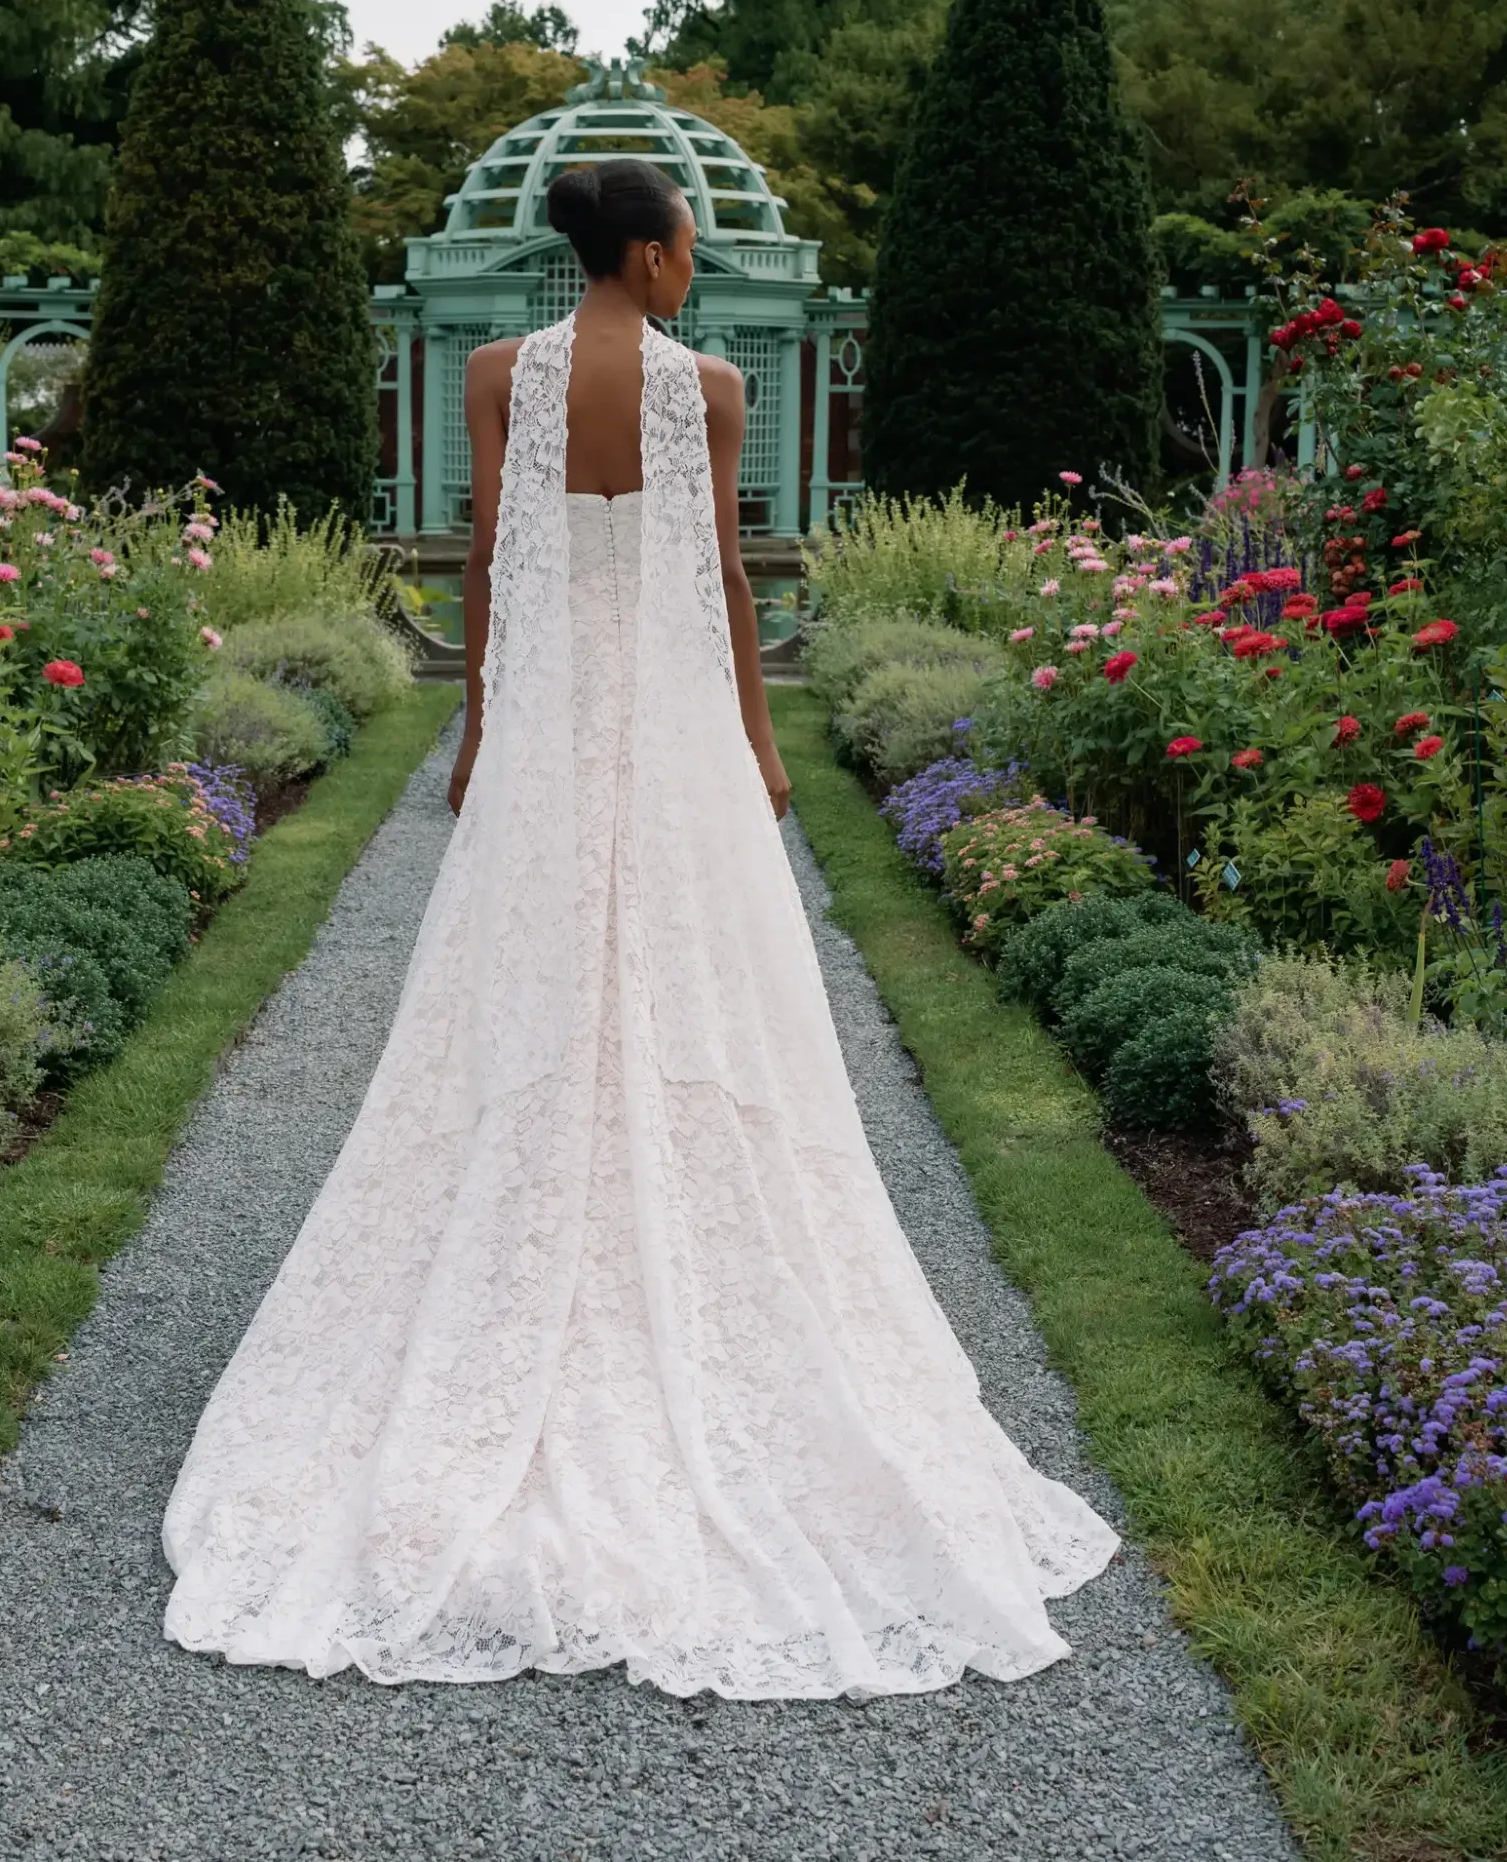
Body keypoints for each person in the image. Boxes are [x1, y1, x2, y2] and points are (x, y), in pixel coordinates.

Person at [162, 155, 1118, 1697]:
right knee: (690, 971)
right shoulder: (713, 390)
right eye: (689, 246)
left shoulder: (492, 373)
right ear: (654, 254)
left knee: (527, 966)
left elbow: (485, 565)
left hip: (548, 720)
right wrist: (759, 739)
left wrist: (476, 725)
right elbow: (724, 580)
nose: (694, 267)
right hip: (670, 723)